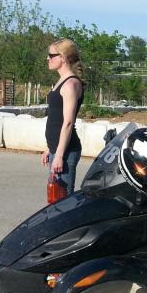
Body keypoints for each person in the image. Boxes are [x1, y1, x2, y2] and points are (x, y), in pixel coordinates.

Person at [42, 38, 85, 195]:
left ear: (63, 57)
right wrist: (50, 148)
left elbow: (67, 122)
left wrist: (59, 155)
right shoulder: (61, 81)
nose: (48, 58)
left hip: (66, 152)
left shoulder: (70, 84)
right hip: (58, 149)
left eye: (51, 55)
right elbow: (56, 118)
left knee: (62, 199)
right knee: (55, 199)